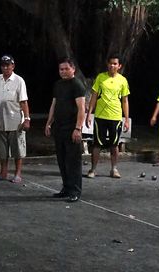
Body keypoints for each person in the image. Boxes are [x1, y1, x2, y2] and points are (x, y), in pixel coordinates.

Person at [44, 57, 86, 203]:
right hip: (59, 127)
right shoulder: (58, 85)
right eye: (61, 69)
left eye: (66, 69)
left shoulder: (77, 85)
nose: (63, 71)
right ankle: (66, 188)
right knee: (62, 159)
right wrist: (49, 123)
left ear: (73, 69)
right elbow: (54, 105)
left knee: (73, 161)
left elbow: (81, 108)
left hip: (71, 128)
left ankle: (75, 191)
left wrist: (78, 128)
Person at [85, 55, 130, 179]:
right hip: (100, 116)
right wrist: (89, 114)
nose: (112, 66)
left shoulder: (122, 80)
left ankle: (114, 169)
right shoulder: (101, 77)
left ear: (119, 66)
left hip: (115, 117)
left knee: (114, 144)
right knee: (97, 144)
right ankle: (93, 169)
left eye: (115, 64)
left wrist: (126, 119)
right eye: (110, 63)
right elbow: (94, 96)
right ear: (107, 64)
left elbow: (125, 100)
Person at [0, 54, 30, 183]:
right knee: (2, 149)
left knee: (17, 148)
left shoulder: (19, 80)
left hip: (15, 119)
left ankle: (18, 173)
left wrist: (27, 119)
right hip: (1, 120)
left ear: (13, 66)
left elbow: (23, 101)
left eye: (8, 65)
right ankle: (3, 172)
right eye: (3, 65)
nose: (5, 67)